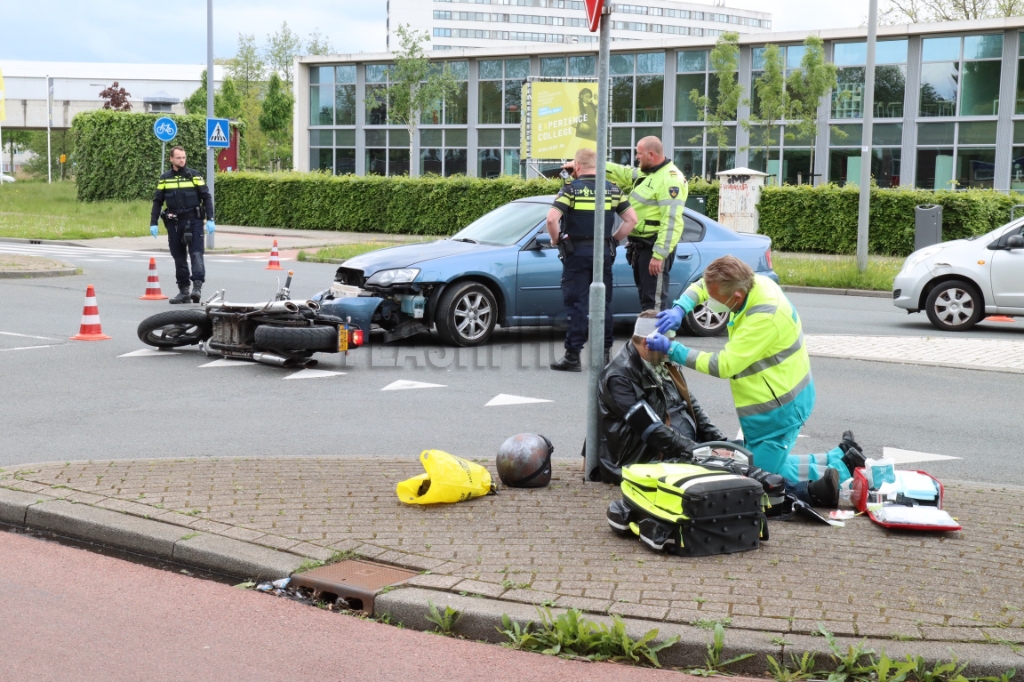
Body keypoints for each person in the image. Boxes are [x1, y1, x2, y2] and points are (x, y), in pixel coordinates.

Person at [647, 255, 866, 504]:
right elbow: (702, 285)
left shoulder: (764, 317)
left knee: (758, 485)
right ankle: (842, 460)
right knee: (769, 466)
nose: (708, 303)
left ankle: (824, 487)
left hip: (780, 410)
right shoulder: (751, 283)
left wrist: (673, 350)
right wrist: (681, 307)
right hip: (773, 404)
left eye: (714, 300)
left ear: (736, 297)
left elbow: (724, 365)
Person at [596, 310, 729, 483]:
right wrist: (700, 452)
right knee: (721, 472)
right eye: (667, 344)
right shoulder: (620, 377)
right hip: (644, 459)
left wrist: (720, 443)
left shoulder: (661, 358)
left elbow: (691, 404)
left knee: (737, 457)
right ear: (647, 343)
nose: (671, 348)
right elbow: (651, 428)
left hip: (680, 447)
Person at [547, 148, 638, 371]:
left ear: (577, 166)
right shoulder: (613, 190)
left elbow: (551, 219)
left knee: (577, 304)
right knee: (603, 304)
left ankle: (573, 356)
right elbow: (631, 220)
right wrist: (614, 240)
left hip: (576, 254)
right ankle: (604, 356)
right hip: (603, 254)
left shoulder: (570, 190)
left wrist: (556, 240)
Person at [606, 136, 687, 311]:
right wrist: (594, 164)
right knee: (646, 299)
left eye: (639, 153)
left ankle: (656, 338)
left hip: (653, 247)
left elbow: (672, 221)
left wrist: (658, 255)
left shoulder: (670, 180)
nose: (636, 157)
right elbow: (624, 173)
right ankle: (648, 337)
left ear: (650, 154)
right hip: (642, 246)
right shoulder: (649, 172)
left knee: (654, 303)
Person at [150, 146, 215, 304]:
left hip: (194, 220)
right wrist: (153, 222)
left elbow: (206, 197)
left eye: (184, 157)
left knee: (196, 254)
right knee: (179, 257)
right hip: (174, 222)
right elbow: (158, 201)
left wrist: (211, 218)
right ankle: (184, 291)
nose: (182, 160)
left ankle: (197, 288)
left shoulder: (194, 175)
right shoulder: (165, 178)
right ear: (171, 159)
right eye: (178, 158)